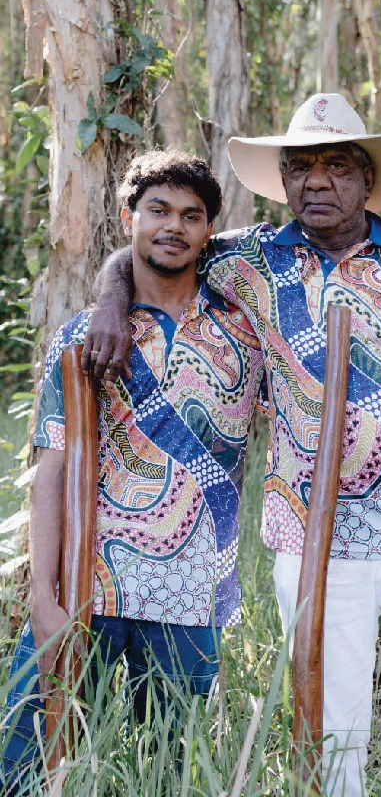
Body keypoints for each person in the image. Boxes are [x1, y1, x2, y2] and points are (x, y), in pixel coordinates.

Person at [86, 95, 381, 796]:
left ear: (366, 180)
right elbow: (149, 250)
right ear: (283, 181)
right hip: (306, 538)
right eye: (300, 168)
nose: (316, 181)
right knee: (326, 731)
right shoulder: (248, 262)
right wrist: (109, 300)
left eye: (336, 165)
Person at [2, 148, 264, 790]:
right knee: (25, 766)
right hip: (88, 585)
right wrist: (43, 598)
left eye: (191, 215)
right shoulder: (82, 339)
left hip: (189, 596)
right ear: (128, 217)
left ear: (209, 230)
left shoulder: (244, 336)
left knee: (169, 775)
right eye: (157, 210)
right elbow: (53, 468)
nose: (173, 226)